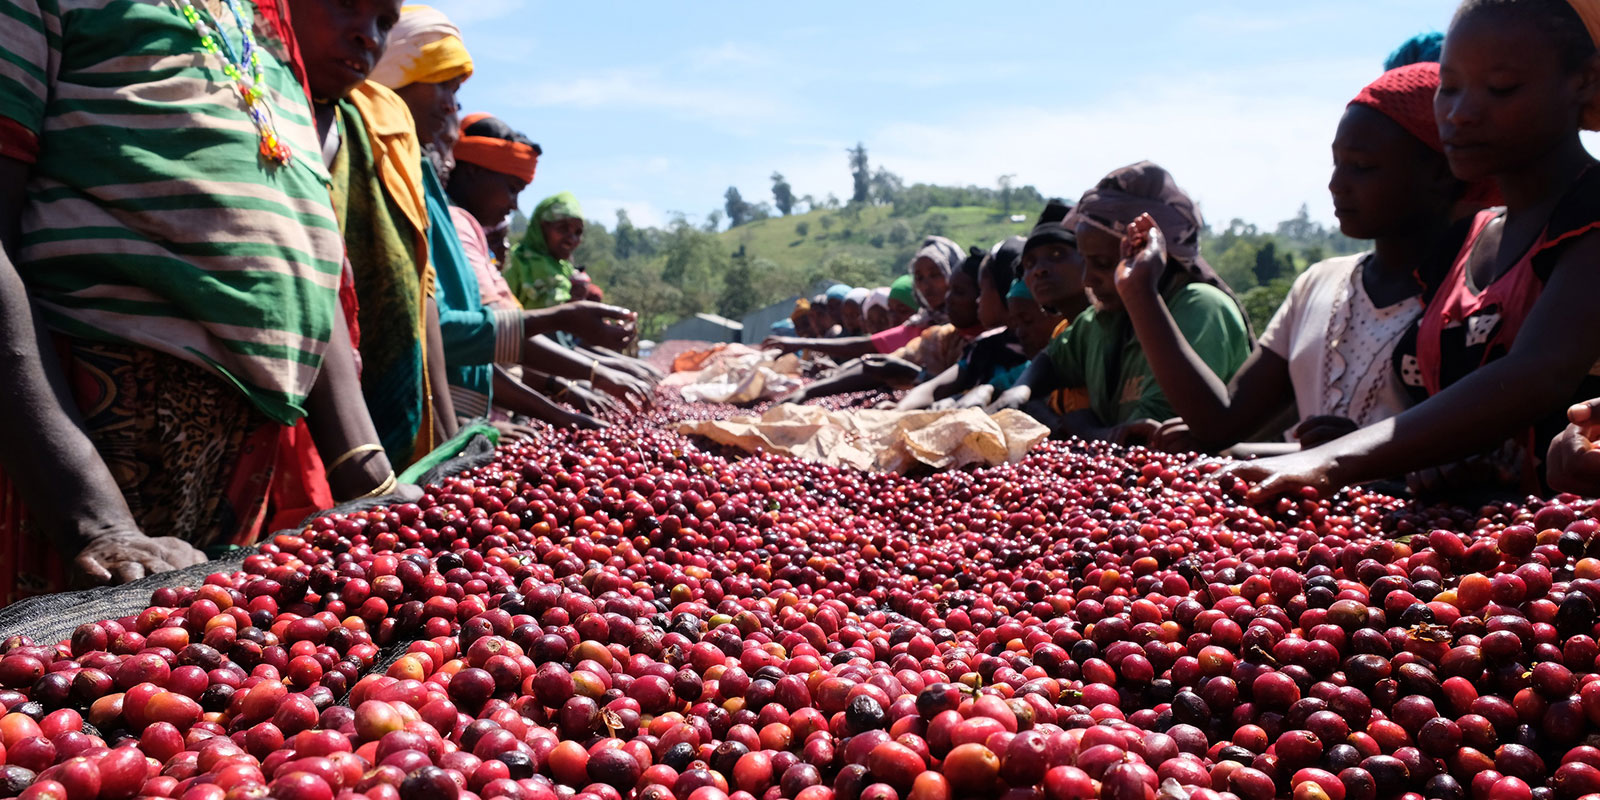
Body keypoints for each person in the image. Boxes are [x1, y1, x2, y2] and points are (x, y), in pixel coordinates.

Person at [0, 0, 407, 596]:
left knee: (209, 662)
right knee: (65, 669)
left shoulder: (262, 30)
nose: (368, 35)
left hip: (240, 447)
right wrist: (96, 518)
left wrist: (368, 475)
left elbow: (306, 251)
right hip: (73, 431)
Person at [1221, 0, 1600, 501]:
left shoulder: (1590, 218)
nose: (1460, 114)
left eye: (1501, 88)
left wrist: (1336, 458)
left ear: (1584, 82)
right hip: (1475, 559)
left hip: (1568, 558)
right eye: (1449, 86)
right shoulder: (1465, 244)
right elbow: (1452, 427)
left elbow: (1537, 373)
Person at [1144, 64, 1478, 457]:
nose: (1336, 185)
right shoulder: (1318, 284)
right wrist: (1142, 294)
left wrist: (1355, 453)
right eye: (1337, 163)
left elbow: (1478, 459)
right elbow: (1219, 422)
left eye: (1362, 167)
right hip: (1302, 513)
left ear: (1440, 174)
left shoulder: (1476, 295)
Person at [370, 8, 640, 423]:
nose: (450, 110)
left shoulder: (437, 204)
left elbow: (474, 342)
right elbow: (445, 335)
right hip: (408, 422)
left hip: (449, 422)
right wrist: (579, 372)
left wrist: (572, 383)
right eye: (444, 87)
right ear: (474, 171)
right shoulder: (420, 200)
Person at [289, 0, 461, 474]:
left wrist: (449, 439)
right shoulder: (272, 108)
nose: (368, 36)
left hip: (374, 439)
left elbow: (418, 290)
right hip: (300, 418)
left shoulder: (390, 123)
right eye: (442, 82)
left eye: (384, 23)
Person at [989, 162, 1252, 445]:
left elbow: (1151, 438)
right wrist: (1021, 389)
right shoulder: (1105, 319)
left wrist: (1088, 430)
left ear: (1155, 257)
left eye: (1102, 264)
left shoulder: (1200, 309)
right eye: (1086, 261)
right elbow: (1053, 358)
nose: (1087, 279)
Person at [778, 245, 991, 405]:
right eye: (920, 278)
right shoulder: (940, 337)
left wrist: (915, 378)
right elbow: (878, 365)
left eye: (936, 275)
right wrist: (808, 391)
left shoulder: (999, 346)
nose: (948, 297)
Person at [764, 237, 962, 360]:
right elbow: (868, 347)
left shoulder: (968, 327)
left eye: (935, 274)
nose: (926, 286)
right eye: (919, 278)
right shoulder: (920, 324)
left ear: (954, 274)